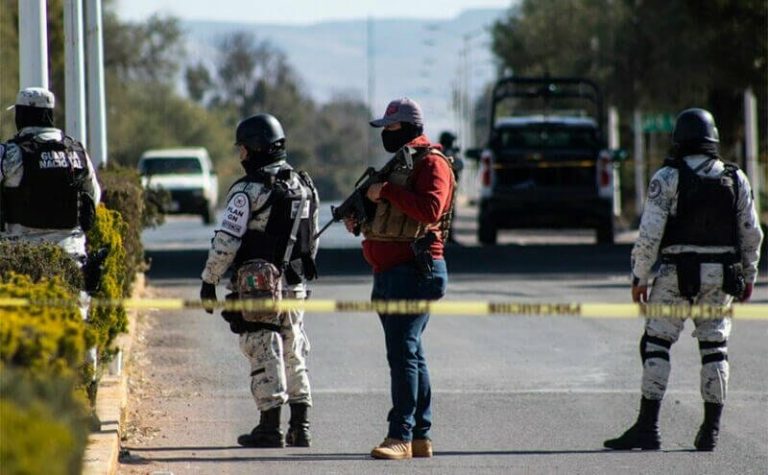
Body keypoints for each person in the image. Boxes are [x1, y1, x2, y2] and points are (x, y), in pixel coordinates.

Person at [604, 108, 763, 451]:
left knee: (656, 344)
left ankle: (648, 428)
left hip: (677, 274)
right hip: (721, 278)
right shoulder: (736, 179)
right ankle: (711, 431)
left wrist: (640, 277)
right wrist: (749, 275)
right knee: (715, 350)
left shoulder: (668, 177)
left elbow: (649, 235)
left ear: (679, 138)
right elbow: (752, 234)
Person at [199, 113, 319, 448]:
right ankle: (301, 426)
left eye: (243, 150)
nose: (242, 157)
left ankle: (269, 427)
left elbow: (226, 240)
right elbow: (311, 242)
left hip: (257, 288)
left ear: (255, 148)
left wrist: (209, 280)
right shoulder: (305, 185)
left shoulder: (247, 191)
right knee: (294, 348)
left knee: (264, 351)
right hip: (294, 284)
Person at [344, 97, 455, 460]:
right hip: (388, 272)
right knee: (411, 353)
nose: (386, 135)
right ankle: (421, 436)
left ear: (409, 127)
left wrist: (387, 191)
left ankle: (400, 436)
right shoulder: (397, 165)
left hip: (415, 271)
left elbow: (430, 209)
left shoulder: (433, 163)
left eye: (391, 129)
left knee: (402, 353)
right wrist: (361, 218)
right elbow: (387, 214)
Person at [0, 86, 101, 364]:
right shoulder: (76, 151)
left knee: (20, 334)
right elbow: (94, 196)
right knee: (79, 325)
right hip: (71, 254)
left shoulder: (10, 154)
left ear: (22, 115)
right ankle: (86, 390)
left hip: (21, 260)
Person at [438, 131, 463, 244]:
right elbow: (458, 165)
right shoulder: (444, 153)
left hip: (447, 188)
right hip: (445, 187)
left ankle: (447, 235)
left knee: (449, 212)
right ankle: (444, 236)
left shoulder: (443, 152)